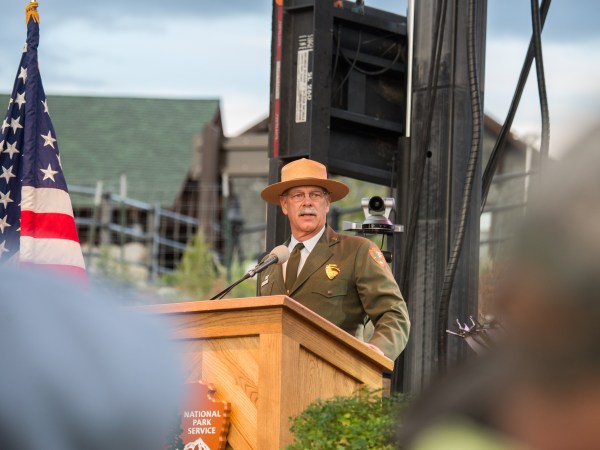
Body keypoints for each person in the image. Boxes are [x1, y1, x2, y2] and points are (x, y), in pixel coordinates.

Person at [258, 158, 410, 360]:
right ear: (284, 205)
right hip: (275, 381)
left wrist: (377, 351)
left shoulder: (357, 251)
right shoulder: (269, 263)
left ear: (327, 203)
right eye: (297, 196)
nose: (307, 202)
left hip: (337, 381)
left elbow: (394, 314)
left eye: (315, 195)